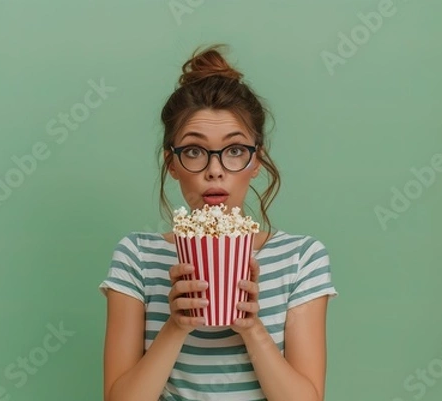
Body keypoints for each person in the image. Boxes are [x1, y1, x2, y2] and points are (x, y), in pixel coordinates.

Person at [99, 43, 339, 401]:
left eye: (234, 151)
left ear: (256, 162)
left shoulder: (301, 258)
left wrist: (251, 327)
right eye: (194, 151)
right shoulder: (137, 255)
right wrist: (176, 326)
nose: (215, 171)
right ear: (172, 163)